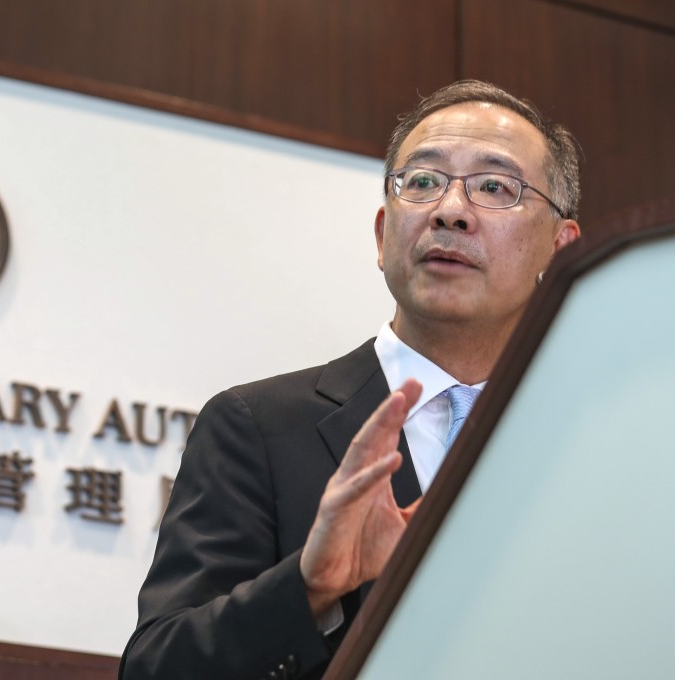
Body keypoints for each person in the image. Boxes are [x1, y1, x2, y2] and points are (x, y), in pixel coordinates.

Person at [118, 80, 583, 680]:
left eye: (495, 186)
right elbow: (158, 669)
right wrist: (308, 589)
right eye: (422, 181)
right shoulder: (259, 427)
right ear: (382, 234)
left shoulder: (587, 449)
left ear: (561, 248)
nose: (450, 210)